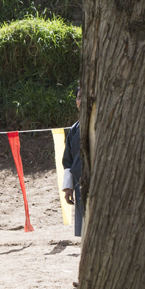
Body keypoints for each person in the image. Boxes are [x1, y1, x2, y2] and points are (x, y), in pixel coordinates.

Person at [62, 85, 83, 237]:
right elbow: (68, 161)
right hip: (80, 183)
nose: (81, 101)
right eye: (79, 97)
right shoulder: (74, 130)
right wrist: (68, 187)